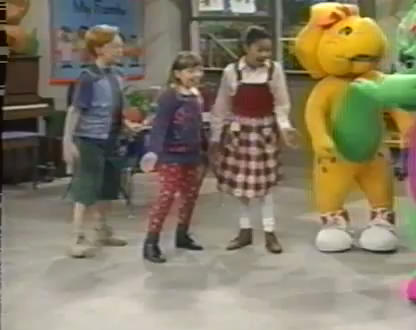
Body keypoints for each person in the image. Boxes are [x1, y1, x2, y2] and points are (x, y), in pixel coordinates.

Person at [210, 26, 298, 254]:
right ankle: (245, 231)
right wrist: (216, 136)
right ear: (246, 48)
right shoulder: (231, 72)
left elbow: (281, 104)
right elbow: (221, 106)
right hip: (239, 135)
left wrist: (285, 128)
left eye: (268, 50)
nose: (265, 55)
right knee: (242, 187)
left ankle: (270, 232)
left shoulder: (274, 71)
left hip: (265, 134)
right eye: (260, 50)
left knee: (265, 188)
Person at [63, 24, 143, 258]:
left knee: (108, 186)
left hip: (111, 138)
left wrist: (126, 126)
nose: (120, 50)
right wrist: (67, 141)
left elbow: (116, 108)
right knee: (86, 188)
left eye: (120, 46)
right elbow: (75, 110)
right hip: (90, 139)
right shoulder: (88, 78)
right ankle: (77, 237)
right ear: (99, 49)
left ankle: (102, 230)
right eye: (115, 46)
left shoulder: (117, 75)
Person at [139, 52, 206, 263]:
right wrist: (154, 151)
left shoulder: (196, 95)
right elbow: (160, 125)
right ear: (177, 74)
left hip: (193, 155)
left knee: (190, 196)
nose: (196, 75)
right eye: (190, 71)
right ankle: (151, 242)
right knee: (166, 197)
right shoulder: (169, 96)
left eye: (198, 70)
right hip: (171, 156)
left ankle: (182, 234)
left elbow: (198, 125)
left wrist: (205, 149)